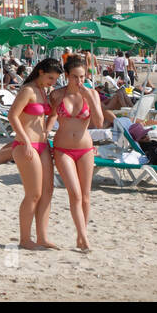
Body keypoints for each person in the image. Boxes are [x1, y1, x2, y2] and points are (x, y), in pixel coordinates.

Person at [49, 54, 103, 252]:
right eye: (75, 77)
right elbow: (43, 116)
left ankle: (82, 235)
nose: (79, 81)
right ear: (66, 75)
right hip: (63, 149)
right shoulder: (57, 95)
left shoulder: (92, 94)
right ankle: (84, 238)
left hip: (85, 149)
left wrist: (90, 98)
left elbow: (98, 122)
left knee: (86, 196)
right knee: (75, 193)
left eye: (82, 77)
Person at [9, 58, 61, 251]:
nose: (52, 82)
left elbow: (51, 114)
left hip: (42, 144)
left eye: (55, 79)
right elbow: (12, 115)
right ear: (40, 72)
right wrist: (25, 140)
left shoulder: (43, 91)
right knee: (33, 194)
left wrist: (47, 130)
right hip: (26, 144)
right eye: (50, 77)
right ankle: (24, 238)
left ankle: (42, 237)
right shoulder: (28, 90)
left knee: (48, 191)